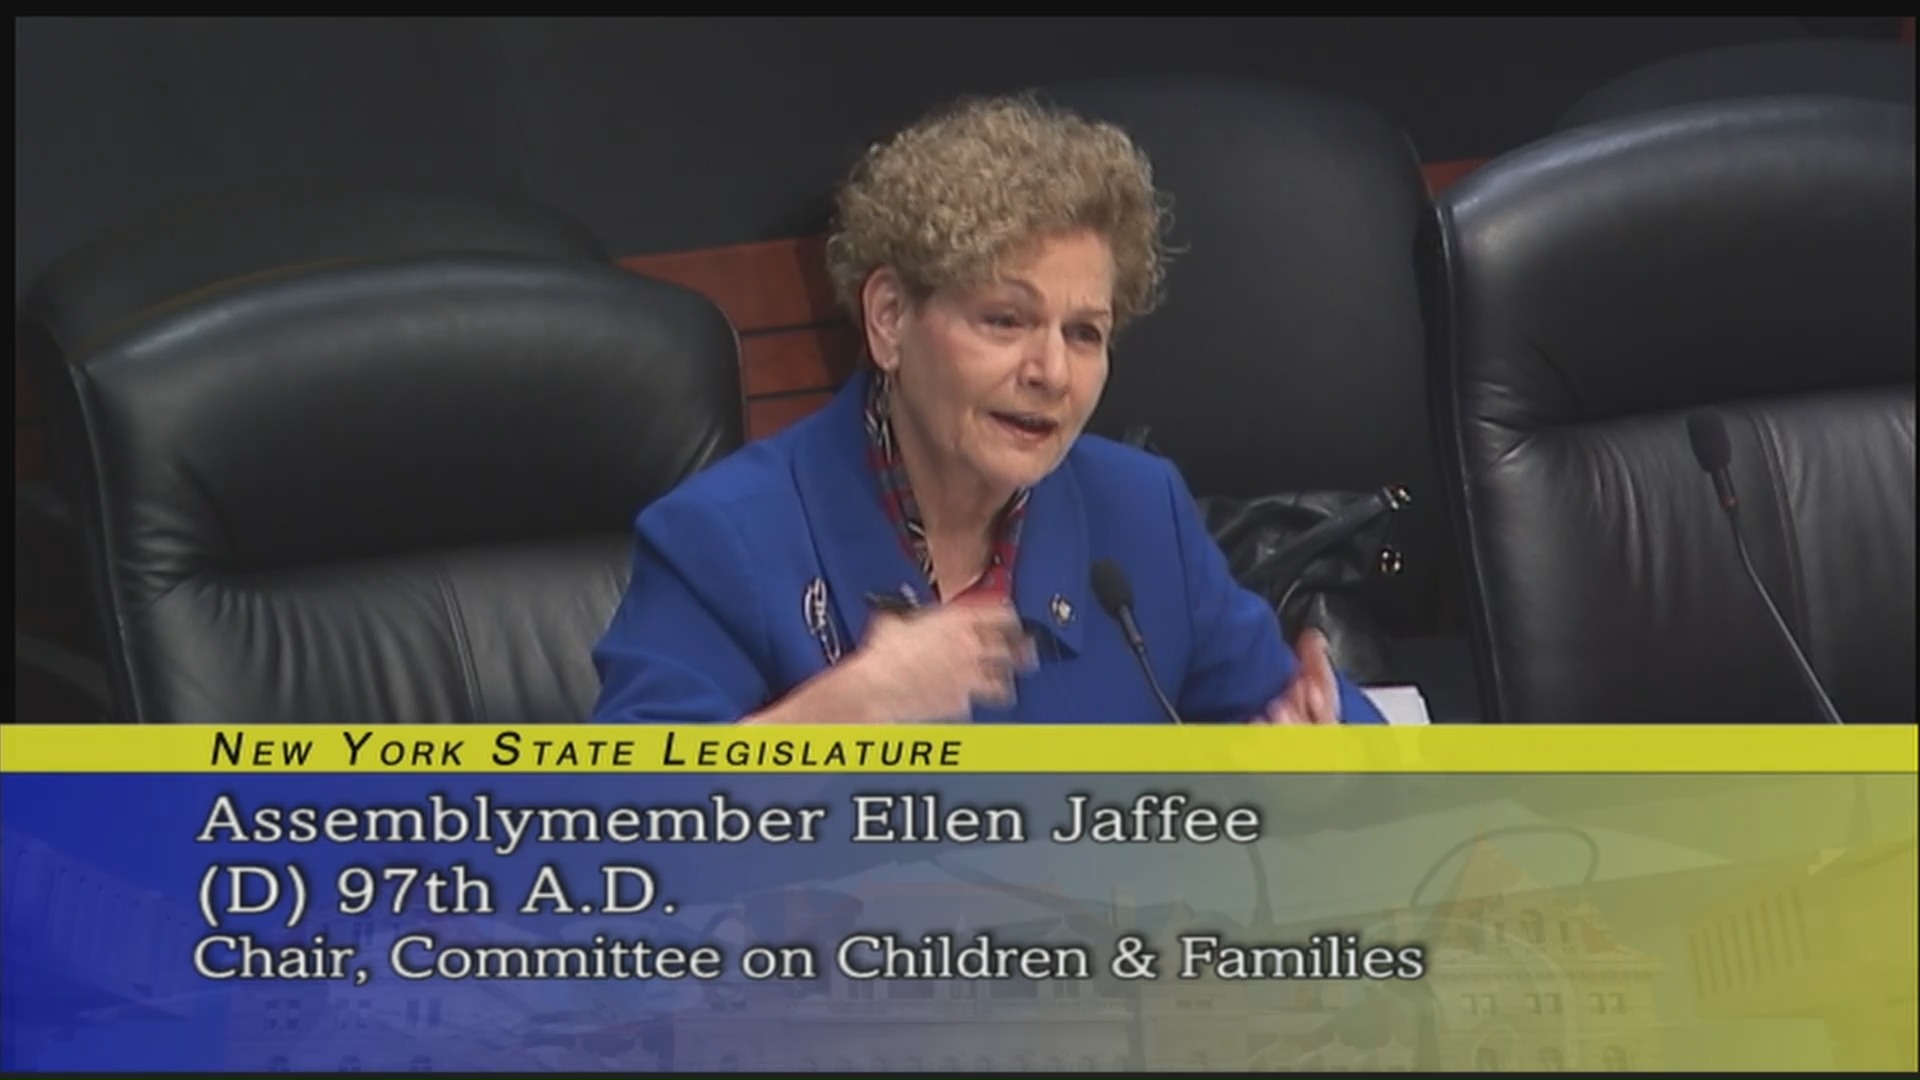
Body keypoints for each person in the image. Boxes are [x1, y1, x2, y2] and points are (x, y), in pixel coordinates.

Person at [591, 93, 1386, 727]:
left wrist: (1327, 755)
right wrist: (842, 713)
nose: (1051, 373)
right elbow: (607, 830)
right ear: (890, 319)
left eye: (1084, 333)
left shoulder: (1141, 513)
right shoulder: (726, 539)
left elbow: (1319, 719)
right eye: (1005, 321)